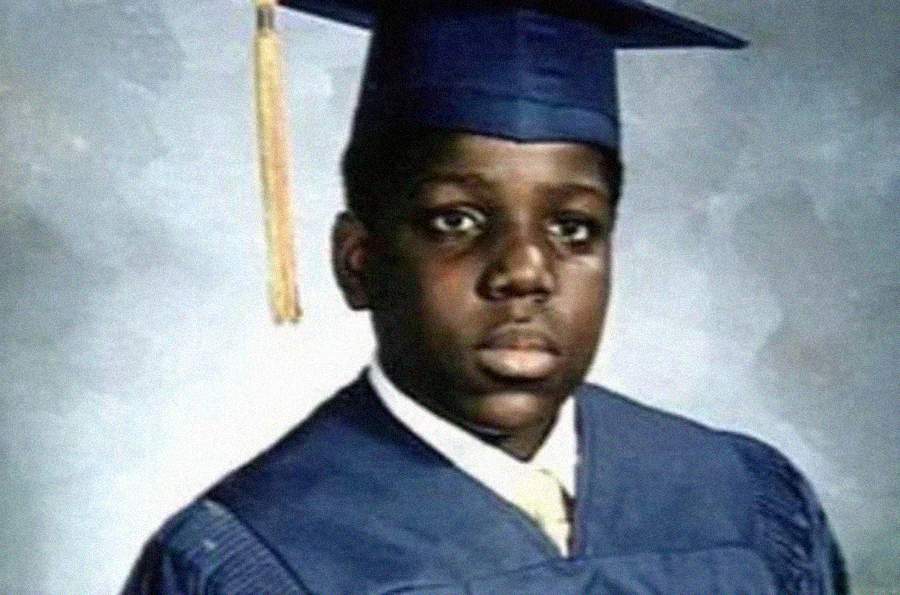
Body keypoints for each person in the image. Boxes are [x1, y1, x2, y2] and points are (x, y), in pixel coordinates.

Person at [122, 1, 848, 593]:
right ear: (359, 262)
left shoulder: (741, 500)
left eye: (573, 227)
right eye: (456, 221)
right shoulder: (256, 558)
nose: (526, 270)